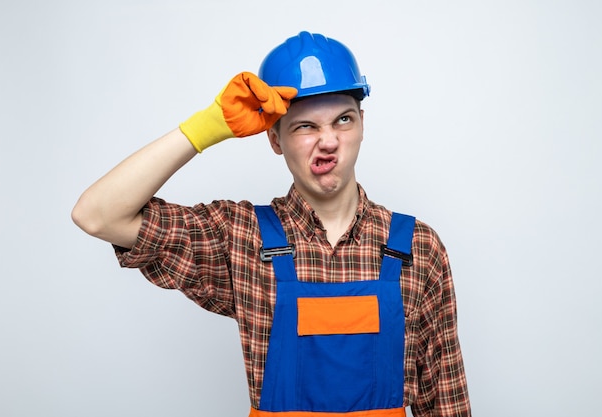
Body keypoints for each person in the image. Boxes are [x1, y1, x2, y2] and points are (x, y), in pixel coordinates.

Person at [72, 31, 471, 417]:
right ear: (275, 139)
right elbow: (98, 215)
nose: (328, 141)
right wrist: (206, 128)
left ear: (363, 125)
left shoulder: (416, 247)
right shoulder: (241, 237)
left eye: (343, 120)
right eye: (305, 126)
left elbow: (446, 402)